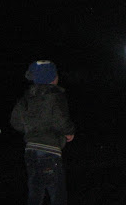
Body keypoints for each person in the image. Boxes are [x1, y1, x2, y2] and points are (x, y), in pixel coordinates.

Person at [10, 60, 75, 205]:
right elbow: (61, 119)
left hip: (31, 150)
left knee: (35, 191)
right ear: (52, 78)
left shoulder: (26, 97)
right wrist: (69, 132)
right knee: (57, 193)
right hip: (50, 151)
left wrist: (30, 129)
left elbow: (15, 121)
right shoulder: (55, 96)